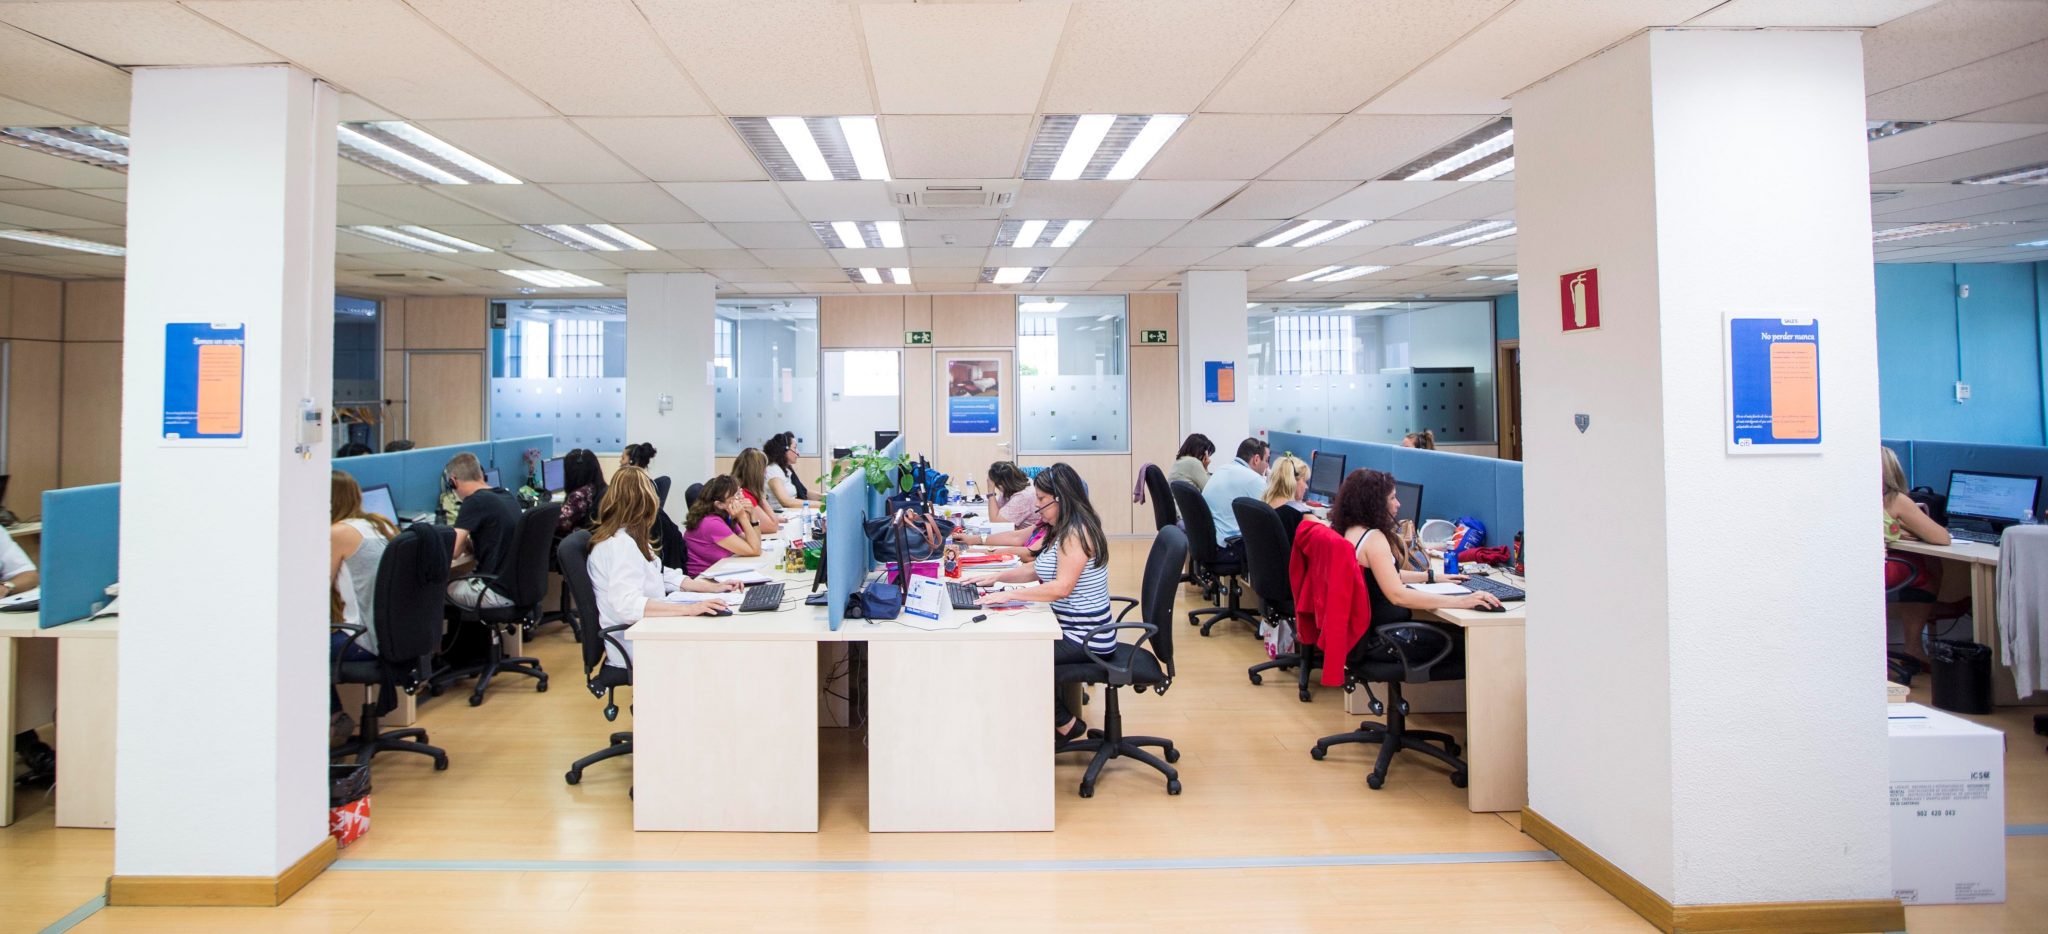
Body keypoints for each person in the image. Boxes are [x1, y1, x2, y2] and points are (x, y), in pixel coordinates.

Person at [966, 464, 1112, 745]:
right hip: (1070, 627)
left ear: (1062, 498)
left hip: (1087, 637)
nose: (1037, 506)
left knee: (1018, 653)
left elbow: (1061, 587)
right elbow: (1037, 569)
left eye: (1042, 499)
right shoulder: (1061, 528)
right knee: (1016, 640)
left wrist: (1010, 595)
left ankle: (1065, 723)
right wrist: (996, 578)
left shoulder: (1077, 533)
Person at [587, 467, 738, 665]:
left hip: (649, 629)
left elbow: (660, 573)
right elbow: (628, 605)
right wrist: (689, 609)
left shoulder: (629, 537)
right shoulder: (620, 545)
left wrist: (713, 588)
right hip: (636, 643)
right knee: (719, 646)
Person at [1330, 468, 1500, 616]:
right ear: (1375, 504)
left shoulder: (1351, 530)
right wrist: (1462, 601)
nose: (1398, 504)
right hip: (1387, 630)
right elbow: (1398, 596)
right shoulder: (1374, 539)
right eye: (1392, 498)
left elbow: (1384, 574)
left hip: (1370, 625)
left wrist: (1431, 577)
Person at [328, 470, 397, 743]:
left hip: (362, 639)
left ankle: (334, 717)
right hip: (392, 637)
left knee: (297, 649)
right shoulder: (381, 525)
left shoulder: (338, 532)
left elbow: (313, 590)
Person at [1884, 446, 1951, 665]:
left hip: (1850, 569)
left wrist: (1897, 529)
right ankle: (1914, 645)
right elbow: (1942, 538)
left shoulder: (1847, 497)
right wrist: (1911, 528)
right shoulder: (1893, 499)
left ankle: (1938, 608)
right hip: (1879, 569)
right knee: (1927, 565)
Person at [445, 452, 522, 610]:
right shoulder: (506, 495)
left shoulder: (474, 501)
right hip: (517, 587)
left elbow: (454, 551)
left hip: (495, 590)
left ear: (453, 481)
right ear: (481, 474)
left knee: (436, 590)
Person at [951, 462, 1049, 556]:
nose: (1037, 504)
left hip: (1023, 542)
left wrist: (991, 492)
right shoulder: (1019, 484)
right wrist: (974, 540)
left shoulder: (1024, 496)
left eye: (1041, 498)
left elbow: (996, 521)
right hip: (1019, 537)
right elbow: (1016, 536)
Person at [683, 475, 764, 577]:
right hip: (702, 578)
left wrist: (753, 516)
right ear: (719, 504)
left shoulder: (725, 516)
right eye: (736, 495)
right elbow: (755, 550)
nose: (742, 497)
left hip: (719, 572)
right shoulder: (712, 523)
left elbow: (756, 544)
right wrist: (742, 517)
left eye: (739, 492)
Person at [1202, 437, 1271, 555]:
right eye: (1267, 460)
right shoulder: (1254, 480)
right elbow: (1272, 514)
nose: (1267, 466)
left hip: (1208, 541)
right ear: (1256, 459)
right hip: (1228, 547)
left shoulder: (1222, 469)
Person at [730, 448, 784, 534]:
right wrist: (761, 497)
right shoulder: (743, 495)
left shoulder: (736, 488)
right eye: (764, 468)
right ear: (757, 472)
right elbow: (773, 526)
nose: (766, 472)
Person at [555, 448, 608, 535]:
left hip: (574, 538)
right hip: (590, 535)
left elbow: (559, 524)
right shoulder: (596, 486)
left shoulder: (578, 496)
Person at [1262, 454, 1316, 538]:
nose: (1306, 487)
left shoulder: (1264, 504)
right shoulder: (1298, 512)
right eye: (1304, 481)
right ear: (1293, 481)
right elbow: (1330, 535)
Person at [763, 432, 817, 508]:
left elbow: (804, 492)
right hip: (781, 513)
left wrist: (826, 498)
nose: (798, 453)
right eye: (795, 448)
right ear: (784, 450)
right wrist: (822, 505)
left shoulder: (786, 469)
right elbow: (786, 502)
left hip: (791, 511)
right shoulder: (773, 470)